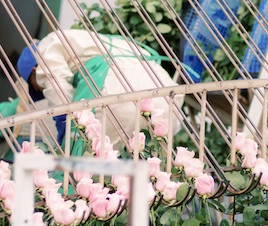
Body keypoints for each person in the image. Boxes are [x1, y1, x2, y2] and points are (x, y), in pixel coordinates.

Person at [16, 28, 179, 147]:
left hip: (115, 87)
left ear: (35, 70)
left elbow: (57, 91)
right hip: (163, 89)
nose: (38, 89)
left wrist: (65, 135)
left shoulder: (47, 46)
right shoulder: (103, 42)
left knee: (87, 166)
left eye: (35, 85)